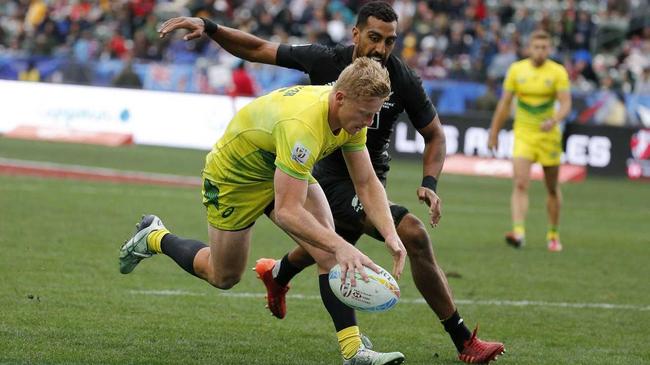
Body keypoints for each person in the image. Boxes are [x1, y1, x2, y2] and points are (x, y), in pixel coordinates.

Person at [159, 2, 505, 363]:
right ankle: (159, 237)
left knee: (335, 246)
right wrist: (211, 27)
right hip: (249, 173)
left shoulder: (390, 86)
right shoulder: (320, 82)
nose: (381, 49)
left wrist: (391, 231)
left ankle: (305, 300)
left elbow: (373, 177)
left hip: (300, 169)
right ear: (355, 35)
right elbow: (259, 48)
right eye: (374, 38)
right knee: (229, 273)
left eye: (390, 41)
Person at [119, 58, 408, 365]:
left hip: (278, 165)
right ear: (340, 98)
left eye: (373, 113)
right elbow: (287, 212)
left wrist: (390, 234)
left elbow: (365, 181)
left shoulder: (351, 113)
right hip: (235, 175)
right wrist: (343, 247)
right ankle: (154, 236)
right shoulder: (303, 127)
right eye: (366, 114)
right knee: (223, 275)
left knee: (326, 248)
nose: (369, 121)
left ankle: (353, 352)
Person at [488, 30, 572, 252]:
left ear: (550, 49)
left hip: (549, 136)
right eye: (536, 47)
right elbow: (505, 104)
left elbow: (565, 103)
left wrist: (554, 120)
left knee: (552, 187)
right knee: (520, 183)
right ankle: (518, 232)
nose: (540, 51)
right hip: (524, 133)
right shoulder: (517, 70)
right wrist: (494, 132)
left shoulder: (558, 72)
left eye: (544, 47)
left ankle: (553, 234)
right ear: (529, 48)